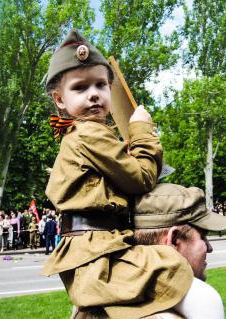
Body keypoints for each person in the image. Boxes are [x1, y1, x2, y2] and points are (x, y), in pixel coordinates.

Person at [42, 29, 206, 319]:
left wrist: (125, 151)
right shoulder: (90, 132)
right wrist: (141, 129)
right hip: (101, 255)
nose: (94, 94)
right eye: (80, 88)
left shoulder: (83, 135)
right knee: (199, 295)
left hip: (98, 250)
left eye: (101, 85)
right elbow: (142, 179)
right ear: (60, 100)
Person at [72, 183, 226, 319]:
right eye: (203, 237)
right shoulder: (194, 307)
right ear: (174, 240)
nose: (209, 247)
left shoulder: (87, 303)